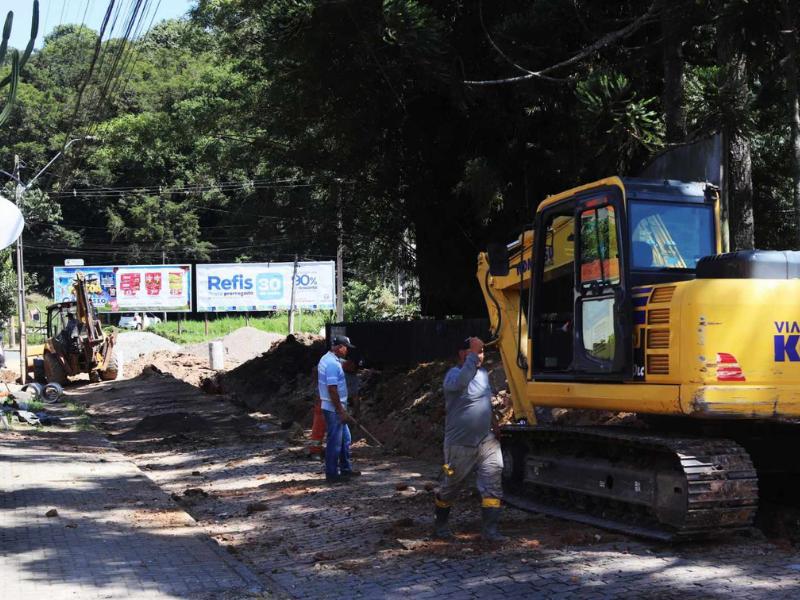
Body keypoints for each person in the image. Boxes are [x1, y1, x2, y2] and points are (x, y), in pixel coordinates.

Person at [433, 336, 505, 542]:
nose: (479, 356)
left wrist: (494, 424)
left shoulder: (483, 375)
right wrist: (473, 355)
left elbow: (485, 401)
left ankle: (490, 531)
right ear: (462, 353)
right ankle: (440, 526)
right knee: (451, 487)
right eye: (475, 352)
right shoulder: (453, 375)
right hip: (460, 444)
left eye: (481, 352)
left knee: (493, 483)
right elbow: (463, 381)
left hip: (486, 441)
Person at [318, 335, 361, 483]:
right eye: (346, 348)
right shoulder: (332, 364)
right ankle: (332, 474)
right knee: (335, 442)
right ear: (340, 347)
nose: (347, 351)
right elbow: (332, 389)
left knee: (344, 439)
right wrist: (341, 410)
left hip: (335, 407)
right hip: (334, 409)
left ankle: (345, 469)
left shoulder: (330, 359)